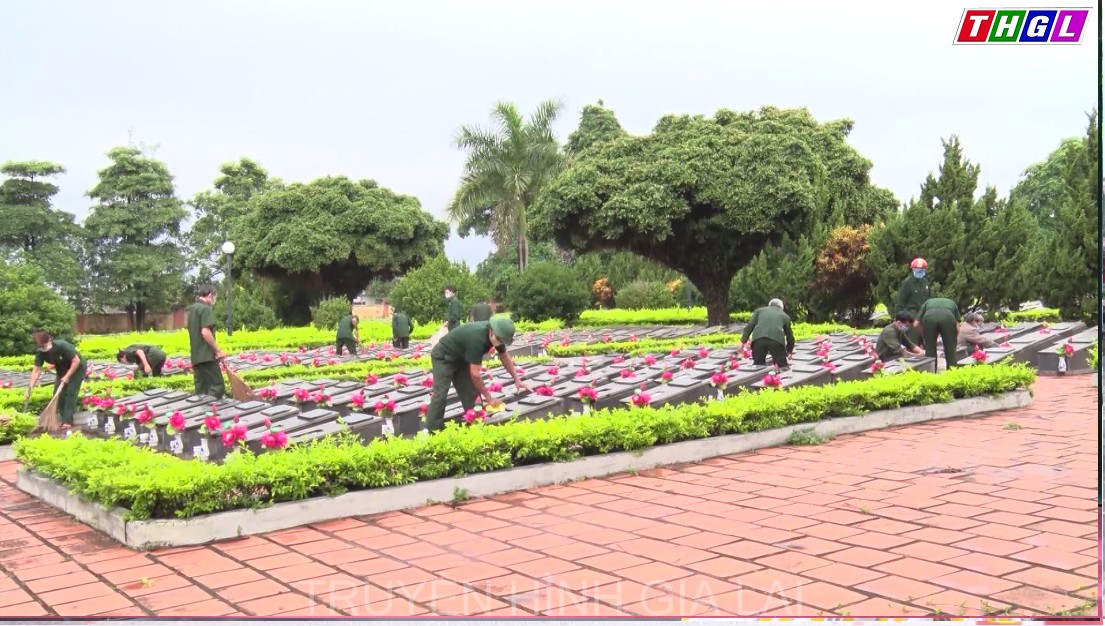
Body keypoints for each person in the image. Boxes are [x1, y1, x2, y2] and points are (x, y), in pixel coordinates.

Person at [425, 318, 529, 432]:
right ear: (491, 332)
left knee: (472, 395)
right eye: (499, 340)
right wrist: (489, 398)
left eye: (502, 341)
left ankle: (475, 425)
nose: (499, 343)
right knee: (440, 394)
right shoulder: (477, 338)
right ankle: (433, 431)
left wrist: (517, 379)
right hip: (444, 356)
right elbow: (475, 374)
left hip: (462, 358)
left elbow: (504, 356)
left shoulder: (497, 336)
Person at [28, 330, 87, 432]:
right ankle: (63, 417)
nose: (42, 348)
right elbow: (36, 370)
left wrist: (68, 376)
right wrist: (30, 387)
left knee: (70, 392)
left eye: (44, 345)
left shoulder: (62, 346)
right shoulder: (41, 353)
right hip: (62, 369)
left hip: (77, 368)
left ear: (49, 340)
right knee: (57, 393)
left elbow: (76, 360)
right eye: (40, 347)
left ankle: (67, 421)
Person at [187, 285, 227, 398]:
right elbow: (205, 332)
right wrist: (218, 351)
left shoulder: (192, 309)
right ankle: (211, 412)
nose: (214, 300)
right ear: (210, 295)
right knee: (217, 387)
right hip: (207, 357)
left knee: (201, 391)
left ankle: (203, 414)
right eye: (214, 297)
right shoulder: (205, 309)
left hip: (196, 358)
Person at [740, 298, 796, 369]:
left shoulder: (759, 311)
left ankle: (761, 379)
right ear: (781, 308)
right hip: (776, 341)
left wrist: (743, 341)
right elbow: (789, 336)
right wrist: (789, 351)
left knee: (758, 365)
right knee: (781, 366)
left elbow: (750, 325)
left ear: (769, 305)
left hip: (758, 340)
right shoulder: (785, 316)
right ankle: (778, 378)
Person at [896, 258, 932, 349]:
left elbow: (929, 298)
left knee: (926, 338)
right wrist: (902, 318)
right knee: (913, 338)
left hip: (925, 314)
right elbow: (901, 301)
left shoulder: (925, 282)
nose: (920, 272)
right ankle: (914, 358)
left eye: (922, 270)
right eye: (917, 270)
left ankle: (926, 357)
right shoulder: (908, 283)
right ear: (912, 270)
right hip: (912, 314)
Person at [917, 296, 961, 370]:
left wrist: (925, 335)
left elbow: (916, 324)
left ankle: (930, 373)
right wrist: (954, 338)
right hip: (948, 318)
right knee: (950, 350)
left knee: (929, 349)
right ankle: (952, 374)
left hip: (929, 318)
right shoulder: (952, 303)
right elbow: (957, 326)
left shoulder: (927, 302)